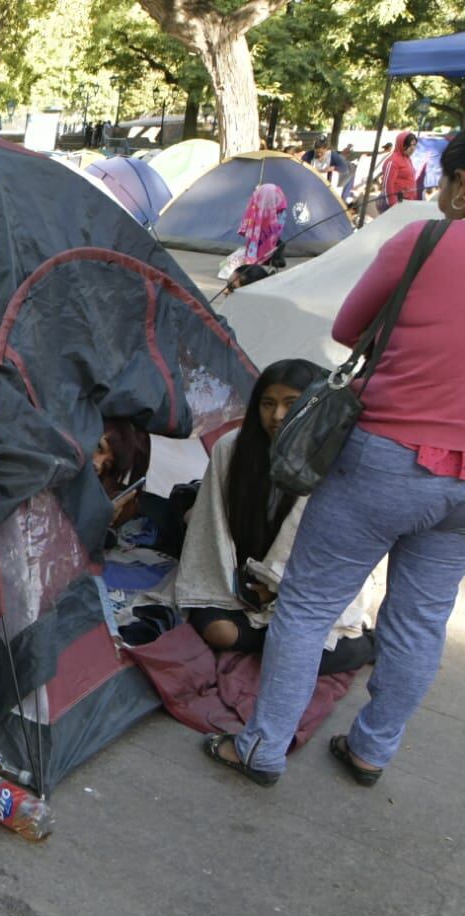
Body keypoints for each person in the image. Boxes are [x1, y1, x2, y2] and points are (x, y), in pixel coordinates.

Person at [203, 133, 465, 788]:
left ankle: (260, 749)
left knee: (308, 604)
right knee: (418, 619)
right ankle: (371, 750)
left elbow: (349, 330)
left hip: (384, 457)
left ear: (457, 183)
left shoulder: (423, 242)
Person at [174, 360, 375, 671]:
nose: (278, 416)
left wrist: (278, 584)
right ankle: (279, 646)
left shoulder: (334, 458)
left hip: (308, 586)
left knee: (305, 650)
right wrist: (244, 584)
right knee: (220, 632)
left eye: (290, 404)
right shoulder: (232, 448)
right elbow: (211, 526)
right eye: (268, 404)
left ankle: (361, 646)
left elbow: (335, 546)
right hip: (241, 581)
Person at [238, 183, 287, 266]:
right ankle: (271, 259)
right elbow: (282, 208)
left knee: (256, 242)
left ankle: (257, 258)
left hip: (254, 249)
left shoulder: (255, 210)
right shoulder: (278, 212)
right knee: (279, 243)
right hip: (271, 246)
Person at [383, 131, 420, 211]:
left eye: (414, 145)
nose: (412, 148)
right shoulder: (393, 161)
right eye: (409, 145)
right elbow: (387, 185)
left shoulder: (407, 159)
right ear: (401, 144)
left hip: (408, 203)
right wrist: (393, 206)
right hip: (398, 204)